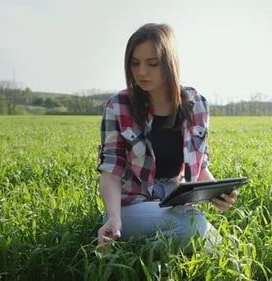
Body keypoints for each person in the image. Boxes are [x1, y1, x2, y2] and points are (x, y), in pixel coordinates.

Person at [96, 23, 237, 250]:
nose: (141, 72)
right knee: (196, 227)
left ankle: (140, 249)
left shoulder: (196, 104)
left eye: (152, 63)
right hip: (131, 207)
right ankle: (142, 251)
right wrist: (114, 217)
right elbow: (110, 172)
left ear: (170, 63)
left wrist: (215, 193)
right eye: (134, 63)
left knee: (220, 246)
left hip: (175, 203)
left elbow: (200, 168)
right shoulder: (118, 105)